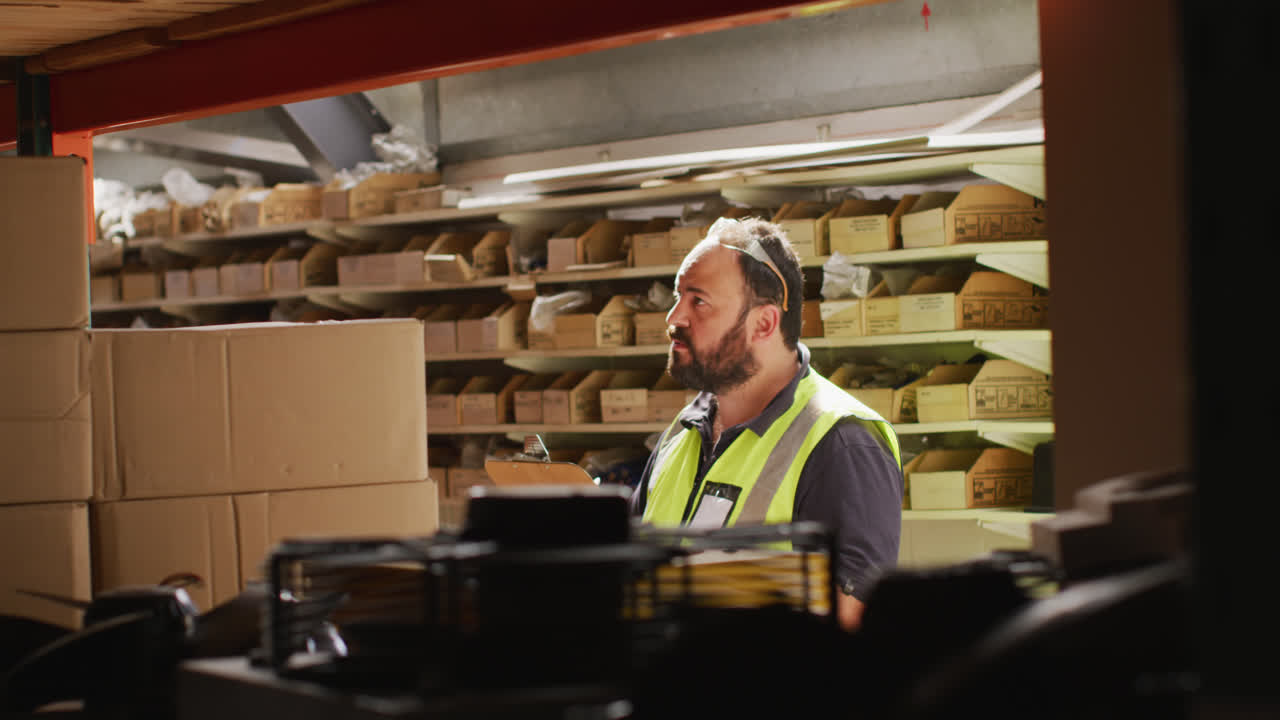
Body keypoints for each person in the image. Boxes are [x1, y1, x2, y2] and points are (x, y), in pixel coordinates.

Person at [629, 216, 903, 630]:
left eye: (698, 301)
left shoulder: (842, 442)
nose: (674, 317)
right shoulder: (683, 431)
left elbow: (853, 622)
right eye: (678, 296)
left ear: (764, 323)